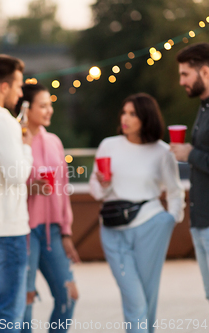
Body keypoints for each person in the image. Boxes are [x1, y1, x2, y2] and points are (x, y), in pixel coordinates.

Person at [89, 93, 185, 333]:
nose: (125, 118)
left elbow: (175, 191)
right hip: (112, 229)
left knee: (148, 293)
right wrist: (103, 183)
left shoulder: (162, 152)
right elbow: (96, 191)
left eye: (132, 114)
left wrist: (170, 219)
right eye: (124, 112)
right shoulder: (108, 145)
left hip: (151, 226)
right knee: (135, 297)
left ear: (146, 118)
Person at [13, 83, 79, 333]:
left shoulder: (54, 141)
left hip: (53, 231)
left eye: (50, 105)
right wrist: (31, 187)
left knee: (69, 295)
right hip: (24, 231)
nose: (49, 110)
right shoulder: (15, 141)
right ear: (26, 109)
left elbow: (63, 188)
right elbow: (6, 185)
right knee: (25, 301)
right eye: (43, 106)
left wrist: (67, 232)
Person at [0, 54, 33, 333]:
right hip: (7, 230)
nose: (21, 92)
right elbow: (17, 175)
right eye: (18, 85)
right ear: (3, 86)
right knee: (9, 313)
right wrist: (26, 147)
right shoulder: (4, 120)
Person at [172, 42, 209, 301]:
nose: (181, 81)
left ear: (205, 72)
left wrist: (190, 154)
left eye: (185, 74)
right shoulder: (203, 108)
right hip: (200, 221)